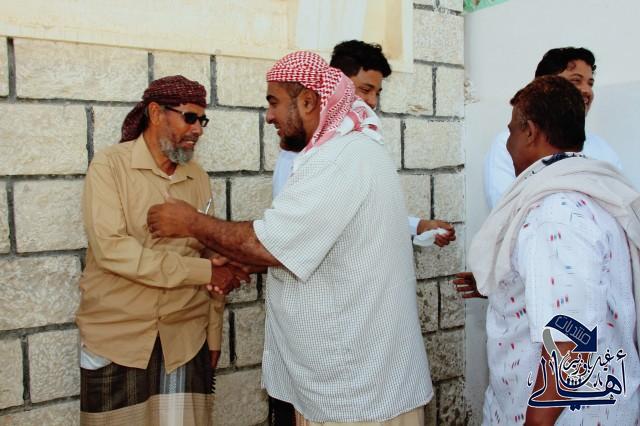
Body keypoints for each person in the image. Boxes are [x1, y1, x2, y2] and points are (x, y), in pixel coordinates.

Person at [147, 51, 433, 425]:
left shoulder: (337, 160)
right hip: (349, 373)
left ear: (309, 102)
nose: (269, 116)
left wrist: (191, 223)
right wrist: (242, 259)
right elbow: (300, 243)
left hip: (355, 386)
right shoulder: (342, 152)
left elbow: (270, 243)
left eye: (274, 102)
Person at [462, 75, 640, 425]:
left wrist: (537, 422)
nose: (509, 143)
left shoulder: (554, 214)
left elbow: (571, 339)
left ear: (530, 131)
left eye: (512, 131)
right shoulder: (592, 190)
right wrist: (509, 285)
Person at [76, 75, 248, 425]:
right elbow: (112, 250)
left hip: (185, 339)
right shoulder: (110, 167)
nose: (197, 129)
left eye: (202, 120)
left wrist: (213, 334)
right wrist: (206, 271)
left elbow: (210, 255)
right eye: (190, 117)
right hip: (119, 339)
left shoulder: (197, 177)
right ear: (155, 113)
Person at [273, 40, 455, 245]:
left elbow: (368, 212)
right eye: (365, 90)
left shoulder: (362, 140)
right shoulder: (304, 145)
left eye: (377, 93)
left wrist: (419, 226)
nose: (372, 102)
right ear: (337, 84)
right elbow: (290, 222)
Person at [484, 47, 622, 210]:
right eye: (575, 81)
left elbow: (621, 206)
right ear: (544, 87)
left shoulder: (602, 147)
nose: (587, 90)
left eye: (590, 83)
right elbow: (504, 209)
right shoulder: (508, 143)